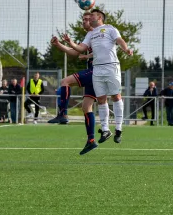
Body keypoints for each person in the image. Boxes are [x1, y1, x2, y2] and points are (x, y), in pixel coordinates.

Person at [50, 8, 133, 146]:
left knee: (115, 96)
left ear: (98, 18)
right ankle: (93, 138)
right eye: (83, 19)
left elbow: (118, 41)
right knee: (87, 106)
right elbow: (77, 51)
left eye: (87, 18)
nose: (84, 21)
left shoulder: (109, 29)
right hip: (96, 71)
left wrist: (126, 49)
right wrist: (63, 44)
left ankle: (118, 128)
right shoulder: (90, 35)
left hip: (106, 67)